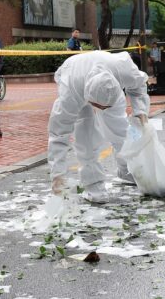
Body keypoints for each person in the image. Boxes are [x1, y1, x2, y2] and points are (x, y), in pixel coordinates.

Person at [48, 51, 150, 203]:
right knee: (86, 136)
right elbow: (58, 135)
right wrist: (57, 176)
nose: (101, 110)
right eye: (98, 106)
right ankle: (94, 186)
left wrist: (140, 111)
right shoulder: (71, 94)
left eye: (105, 107)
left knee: (121, 129)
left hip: (106, 82)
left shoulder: (124, 69)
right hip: (75, 76)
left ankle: (127, 169)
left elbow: (139, 85)